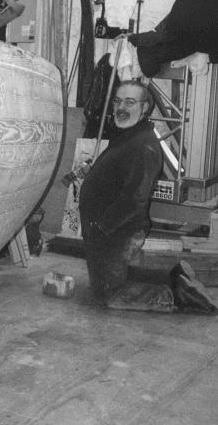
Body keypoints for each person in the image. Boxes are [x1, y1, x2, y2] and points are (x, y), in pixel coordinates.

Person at [79, 80, 217, 313]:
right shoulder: (128, 134)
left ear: (145, 109)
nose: (121, 107)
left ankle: (175, 294)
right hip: (108, 231)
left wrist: (102, 227)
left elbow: (135, 198)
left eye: (130, 102)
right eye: (118, 101)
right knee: (110, 278)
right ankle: (175, 276)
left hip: (116, 232)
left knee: (109, 295)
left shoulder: (143, 145)